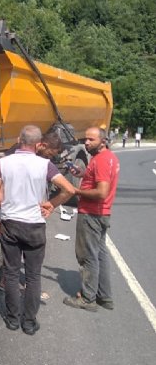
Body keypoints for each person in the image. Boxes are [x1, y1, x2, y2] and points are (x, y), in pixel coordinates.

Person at [0, 125, 76, 335]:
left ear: (19, 139)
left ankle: (12, 319)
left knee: (10, 273)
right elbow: (70, 189)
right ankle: (29, 323)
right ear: (38, 145)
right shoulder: (45, 165)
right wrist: (52, 204)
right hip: (35, 225)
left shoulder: (3, 163)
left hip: (10, 224)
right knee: (33, 276)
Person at [63, 127, 120, 311]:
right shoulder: (108, 157)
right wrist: (83, 174)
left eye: (91, 140)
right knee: (100, 255)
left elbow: (102, 192)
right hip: (102, 213)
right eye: (85, 139)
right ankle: (105, 296)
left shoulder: (102, 160)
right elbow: (97, 180)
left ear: (103, 141)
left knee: (88, 256)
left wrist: (77, 191)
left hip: (91, 213)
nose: (86, 142)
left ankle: (88, 298)